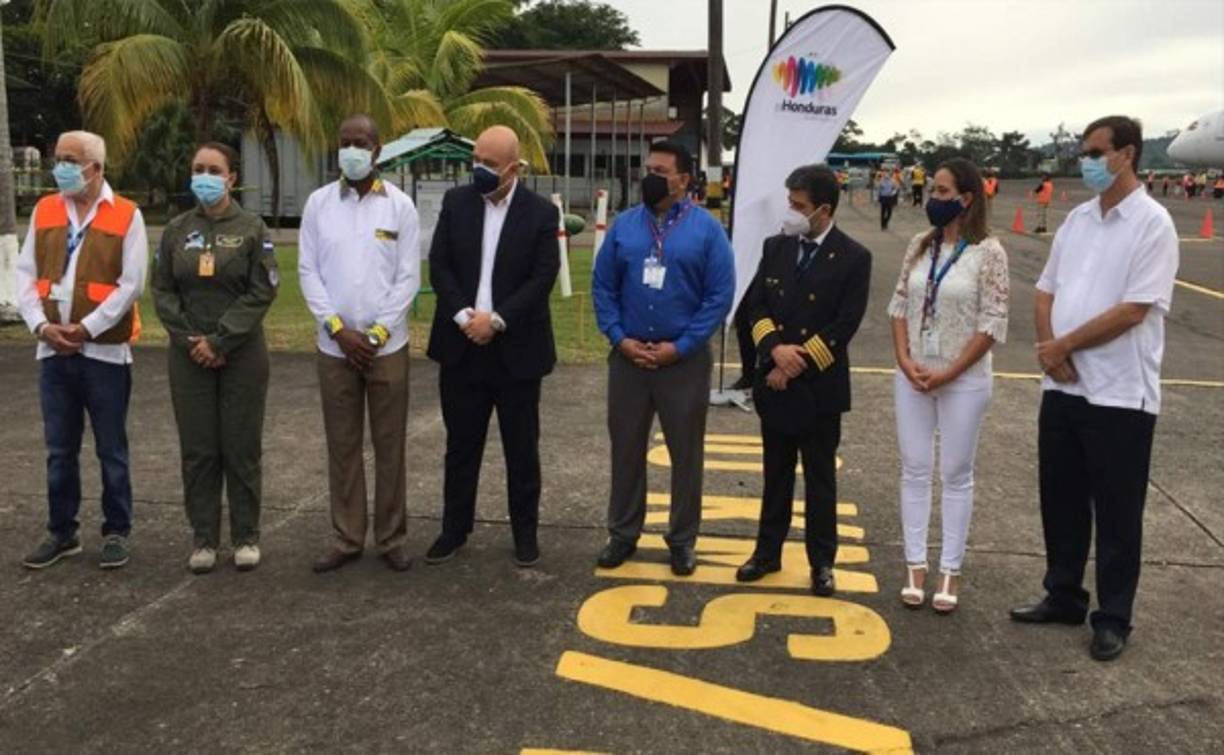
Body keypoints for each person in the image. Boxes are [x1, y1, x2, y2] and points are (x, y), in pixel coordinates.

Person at [1010, 115, 1179, 662]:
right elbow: (1044, 291)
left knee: (1117, 509)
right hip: (1062, 387)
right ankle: (1063, 594)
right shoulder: (1077, 220)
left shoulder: (1153, 224)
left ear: (1126, 154)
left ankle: (1113, 616)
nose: (1085, 160)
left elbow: (1134, 309)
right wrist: (1048, 348)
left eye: (1094, 151)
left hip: (1119, 393)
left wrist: (1064, 347)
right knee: (1059, 497)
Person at [592, 140, 735, 575]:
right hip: (629, 360)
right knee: (627, 450)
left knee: (686, 454)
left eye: (660, 169)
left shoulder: (708, 231)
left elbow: (718, 297)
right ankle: (622, 533)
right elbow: (603, 288)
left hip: (684, 363)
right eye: (647, 167)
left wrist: (682, 346)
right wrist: (619, 339)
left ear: (684, 180)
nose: (649, 176)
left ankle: (682, 539)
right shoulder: (624, 226)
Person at [423, 126, 561, 568]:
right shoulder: (456, 202)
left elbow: (542, 277)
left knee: (522, 449)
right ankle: (453, 529)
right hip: (462, 345)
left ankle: (525, 534)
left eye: (489, 163)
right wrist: (465, 317)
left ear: (514, 168)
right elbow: (439, 265)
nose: (479, 169)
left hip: (516, 350)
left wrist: (497, 320)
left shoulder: (540, 213)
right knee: (461, 446)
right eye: (476, 160)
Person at [734, 165, 871, 597]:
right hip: (775, 383)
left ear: (823, 209)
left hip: (819, 387)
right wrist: (774, 350)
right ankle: (766, 552)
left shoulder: (854, 257)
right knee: (776, 474)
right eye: (790, 203)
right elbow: (754, 308)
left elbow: (844, 324)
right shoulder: (776, 247)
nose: (791, 212)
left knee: (819, 479)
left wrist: (796, 362)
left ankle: (822, 562)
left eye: (799, 206)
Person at [15, 130, 147, 570]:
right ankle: (61, 531)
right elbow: (25, 274)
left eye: (71, 159)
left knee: (111, 447)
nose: (62, 167)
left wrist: (87, 328)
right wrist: (41, 325)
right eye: (58, 158)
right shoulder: (45, 209)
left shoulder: (127, 215)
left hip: (104, 354)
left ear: (96, 168)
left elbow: (131, 285)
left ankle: (116, 531)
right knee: (59, 449)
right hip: (53, 353)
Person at [299, 114, 421, 573]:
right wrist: (336, 328)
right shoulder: (318, 204)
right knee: (343, 445)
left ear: (377, 149)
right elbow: (308, 271)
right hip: (334, 348)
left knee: (390, 445)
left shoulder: (399, 207)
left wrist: (374, 335)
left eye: (361, 142)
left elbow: (407, 278)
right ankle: (347, 537)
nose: (351, 149)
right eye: (345, 141)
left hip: (384, 349)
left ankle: (391, 537)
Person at [887, 158, 1009, 613]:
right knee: (914, 469)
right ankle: (915, 565)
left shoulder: (989, 252)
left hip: (964, 379)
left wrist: (951, 371)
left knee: (956, 474)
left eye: (941, 193)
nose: (933, 200)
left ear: (966, 199)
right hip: (915, 373)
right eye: (933, 191)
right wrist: (904, 360)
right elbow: (899, 304)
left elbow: (993, 322)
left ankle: (950, 570)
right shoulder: (920, 245)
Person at [152, 142, 278, 574]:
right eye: (197, 168)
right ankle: (204, 537)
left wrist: (221, 341)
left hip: (241, 354)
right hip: (188, 356)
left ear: (231, 178)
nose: (204, 176)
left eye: (213, 170)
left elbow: (262, 290)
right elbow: (163, 291)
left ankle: (246, 535)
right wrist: (193, 340)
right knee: (199, 449)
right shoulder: (175, 230)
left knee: (240, 446)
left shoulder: (251, 228)